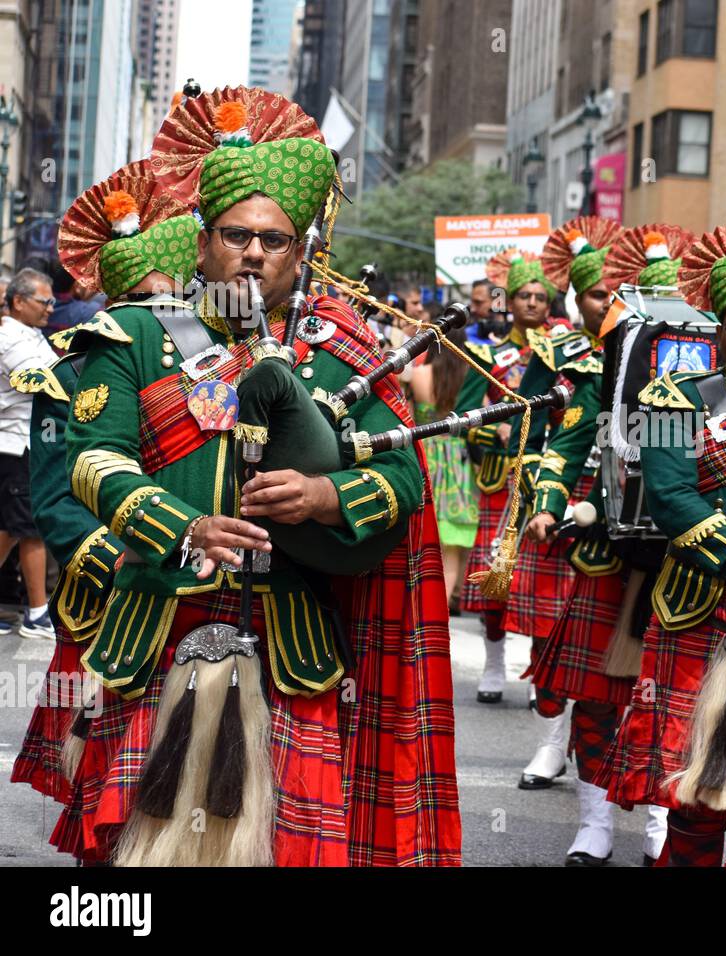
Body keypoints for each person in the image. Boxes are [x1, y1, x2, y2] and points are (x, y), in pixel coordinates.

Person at [59, 87, 460, 866]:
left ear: (298, 253)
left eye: (274, 241)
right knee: (124, 861)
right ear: (202, 244)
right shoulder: (137, 335)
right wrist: (187, 528)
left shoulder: (342, 348)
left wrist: (323, 497)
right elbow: (93, 460)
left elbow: (404, 477)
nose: (252, 252)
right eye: (235, 234)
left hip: (292, 642)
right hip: (154, 627)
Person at [596, 219, 726, 866]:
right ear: (719, 334)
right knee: (699, 783)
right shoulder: (668, 399)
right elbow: (671, 499)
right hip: (702, 607)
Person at [8, 160, 194, 820]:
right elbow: (54, 499)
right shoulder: (70, 371)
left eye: (169, 297)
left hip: (184, 587)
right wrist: (110, 555)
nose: (160, 312)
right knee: (105, 781)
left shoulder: (208, 365)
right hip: (104, 596)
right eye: (145, 298)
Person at [519, 215, 654, 862]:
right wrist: (550, 505)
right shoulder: (600, 371)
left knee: (668, 702)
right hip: (604, 556)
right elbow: (565, 445)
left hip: (692, 565)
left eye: (626, 292)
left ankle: (661, 825)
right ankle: (595, 828)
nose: (614, 303)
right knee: (599, 701)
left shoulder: (715, 375)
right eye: (602, 294)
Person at [457, 249, 567, 710]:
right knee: (495, 580)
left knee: (541, 584)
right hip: (501, 480)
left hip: (551, 479)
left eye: (541, 297)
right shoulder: (489, 355)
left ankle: (541, 675)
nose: (532, 304)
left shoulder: (568, 352)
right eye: (524, 295)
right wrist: (493, 428)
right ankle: (494, 663)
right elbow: (463, 417)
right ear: (511, 299)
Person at [0, 267, 59, 639]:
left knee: (14, 528)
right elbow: (43, 380)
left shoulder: (32, 334)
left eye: (53, 301)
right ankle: (37, 613)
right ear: (19, 302)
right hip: (13, 444)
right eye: (44, 301)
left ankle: (34, 609)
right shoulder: (9, 337)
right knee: (27, 529)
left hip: (26, 443)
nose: (51, 308)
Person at [410, 325, 477, 610]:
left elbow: (408, 420)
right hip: (459, 461)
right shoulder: (469, 377)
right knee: (450, 551)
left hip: (426, 455)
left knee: (421, 543)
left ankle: (417, 608)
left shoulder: (418, 375)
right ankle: (441, 612)